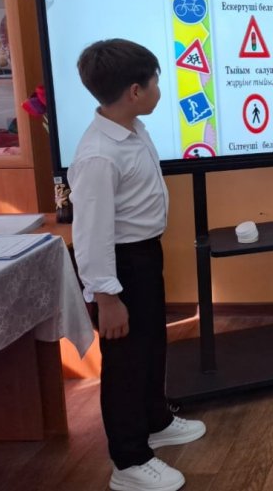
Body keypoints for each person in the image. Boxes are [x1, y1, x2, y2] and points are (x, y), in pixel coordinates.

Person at [69, 39, 206, 491]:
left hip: (144, 256)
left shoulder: (131, 129)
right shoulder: (98, 155)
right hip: (120, 268)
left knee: (150, 345)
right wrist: (107, 298)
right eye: (155, 82)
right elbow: (90, 236)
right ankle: (128, 460)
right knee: (126, 362)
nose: (159, 90)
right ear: (134, 91)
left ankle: (155, 421)